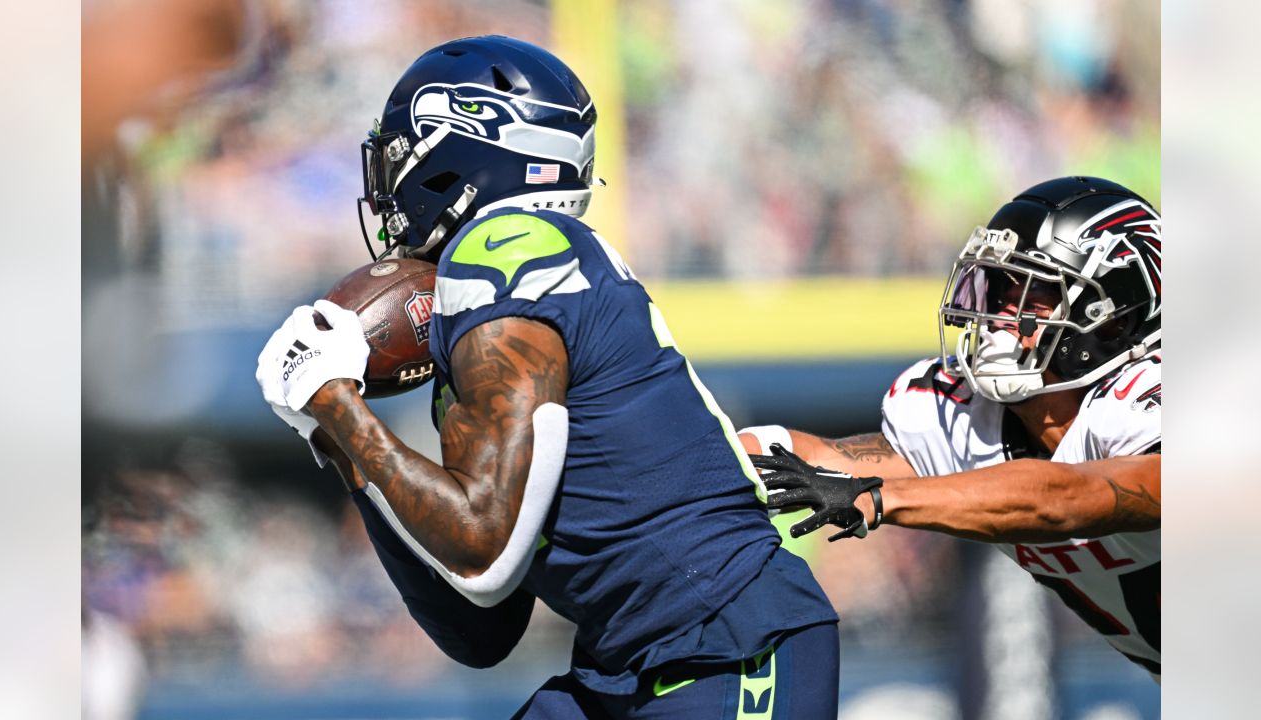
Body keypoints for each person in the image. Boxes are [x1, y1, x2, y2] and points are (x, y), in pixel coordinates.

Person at [255, 36, 840, 719]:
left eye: (400, 154)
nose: (388, 187)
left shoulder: (504, 252)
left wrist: (335, 401)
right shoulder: (500, 291)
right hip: (632, 660)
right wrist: (339, 439)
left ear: (461, 147)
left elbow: (483, 549)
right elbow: (480, 628)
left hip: (727, 642)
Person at [740, 176, 1161, 679]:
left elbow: (1067, 497)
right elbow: (825, 462)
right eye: (999, 287)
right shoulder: (960, 412)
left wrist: (881, 499)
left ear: (1112, 317)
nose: (997, 313)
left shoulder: (1146, 398)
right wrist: (719, 451)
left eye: (1033, 292)